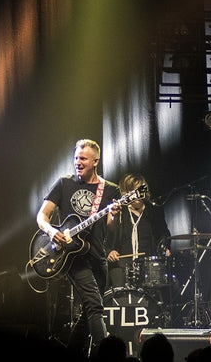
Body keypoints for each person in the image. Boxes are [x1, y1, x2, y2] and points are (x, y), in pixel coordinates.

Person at [36, 138, 122, 357]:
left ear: (95, 161)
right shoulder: (64, 183)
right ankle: (105, 355)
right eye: (76, 158)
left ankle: (72, 354)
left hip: (96, 255)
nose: (78, 162)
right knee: (95, 305)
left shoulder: (109, 189)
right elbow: (42, 215)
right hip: (71, 257)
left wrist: (114, 215)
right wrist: (50, 231)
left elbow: (112, 229)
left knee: (89, 310)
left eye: (83, 158)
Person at [106, 173, 171, 291]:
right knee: (119, 292)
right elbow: (105, 236)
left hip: (147, 265)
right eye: (131, 191)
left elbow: (165, 234)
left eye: (139, 190)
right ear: (125, 193)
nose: (136, 194)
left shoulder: (153, 211)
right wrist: (110, 251)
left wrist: (165, 247)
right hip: (122, 264)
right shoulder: (119, 211)